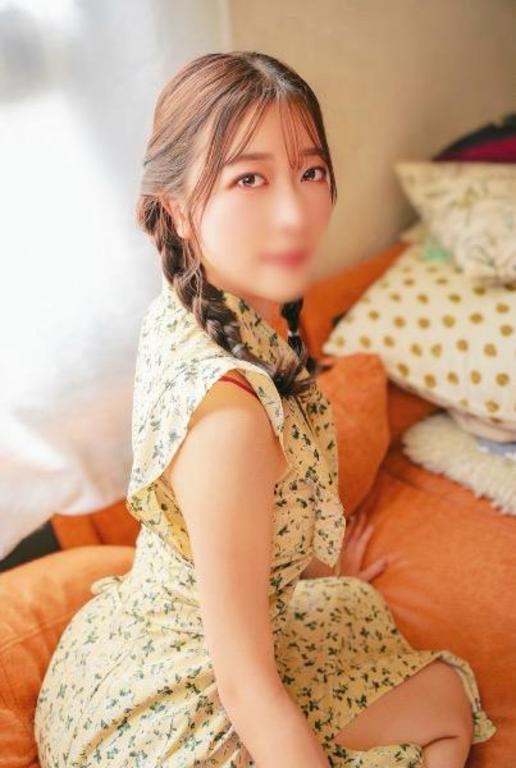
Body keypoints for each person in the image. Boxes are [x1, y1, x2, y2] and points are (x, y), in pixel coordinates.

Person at [34, 51, 496, 768]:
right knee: (446, 703)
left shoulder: (193, 305)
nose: (294, 213)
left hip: (139, 644)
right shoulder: (230, 422)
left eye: (310, 173)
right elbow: (246, 688)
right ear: (178, 208)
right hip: (185, 709)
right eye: (249, 179)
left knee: (353, 610)